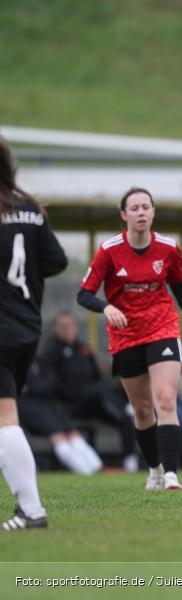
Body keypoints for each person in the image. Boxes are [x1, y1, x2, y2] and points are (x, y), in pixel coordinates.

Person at [77, 187, 182, 492]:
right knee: (143, 408)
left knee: (166, 399)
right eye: (134, 208)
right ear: (124, 215)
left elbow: (180, 287)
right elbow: (83, 294)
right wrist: (106, 307)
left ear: (154, 212)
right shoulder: (109, 250)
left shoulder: (168, 248)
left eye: (146, 207)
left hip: (162, 327)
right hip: (126, 335)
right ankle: (155, 468)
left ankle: (172, 474)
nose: (141, 212)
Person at [0, 135, 68, 529]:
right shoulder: (30, 209)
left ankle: (31, 509)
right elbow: (56, 260)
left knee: (6, 418)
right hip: (27, 325)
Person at [35, 311, 139, 471]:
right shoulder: (50, 352)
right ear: (55, 329)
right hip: (69, 405)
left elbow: (96, 376)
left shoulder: (84, 349)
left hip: (95, 402)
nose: (67, 330)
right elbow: (51, 383)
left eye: (70, 326)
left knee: (124, 417)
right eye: (63, 327)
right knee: (100, 393)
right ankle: (126, 405)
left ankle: (130, 460)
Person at [18, 361, 104, 475]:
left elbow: (50, 382)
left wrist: (33, 387)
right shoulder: (15, 362)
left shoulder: (40, 361)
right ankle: (85, 471)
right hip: (28, 406)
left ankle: (96, 466)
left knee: (72, 432)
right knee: (58, 436)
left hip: (48, 403)